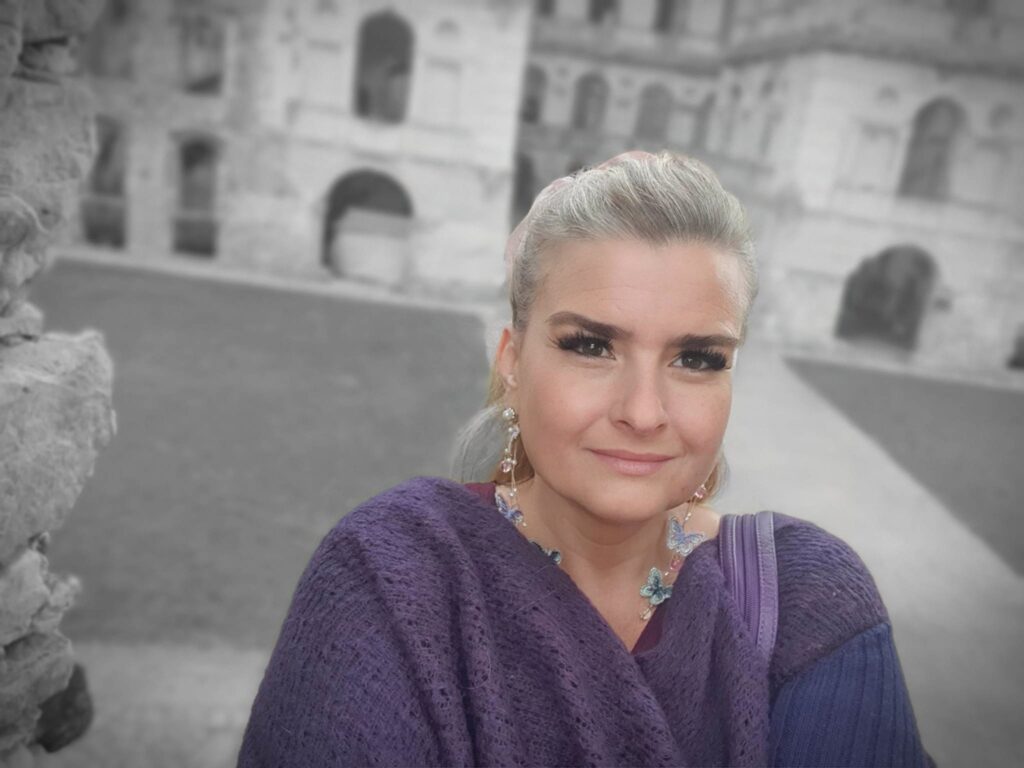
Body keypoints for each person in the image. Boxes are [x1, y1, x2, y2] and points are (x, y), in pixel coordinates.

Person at [238, 151, 933, 767]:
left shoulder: (806, 599)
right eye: (591, 346)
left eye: (697, 358)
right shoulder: (395, 574)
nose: (643, 411)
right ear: (512, 360)